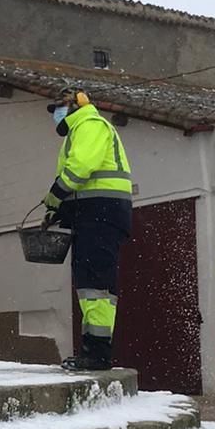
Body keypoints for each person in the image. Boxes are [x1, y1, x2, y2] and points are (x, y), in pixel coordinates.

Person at [42, 86, 134, 372]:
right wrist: (63, 209)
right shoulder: (82, 129)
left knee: (95, 285)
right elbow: (86, 181)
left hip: (100, 213)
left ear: (74, 106)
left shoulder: (90, 124)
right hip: (98, 213)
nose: (56, 115)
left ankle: (97, 353)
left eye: (58, 108)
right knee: (91, 284)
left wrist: (55, 196)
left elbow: (81, 168)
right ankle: (93, 349)